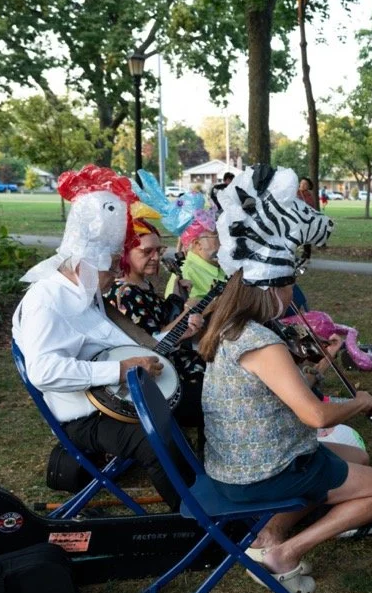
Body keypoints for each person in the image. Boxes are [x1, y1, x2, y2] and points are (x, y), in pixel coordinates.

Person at [200, 164, 372, 593]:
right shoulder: (259, 341)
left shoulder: (230, 327)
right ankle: (285, 552)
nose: (293, 296)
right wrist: (360, 401)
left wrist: (310, 374)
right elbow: (314, 414)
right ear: (272, 287)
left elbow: (278, 393)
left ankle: (268, 531)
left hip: (235, 462)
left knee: (353, 457)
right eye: (290, 284)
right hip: (261, 471)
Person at [12, 165, 187, 510]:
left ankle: (215, 488)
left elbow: (121, 333)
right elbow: (43, 371)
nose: (117, 274)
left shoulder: (86, 291)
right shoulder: (46, 300)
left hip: (114, 396)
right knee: (155, 440)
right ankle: (199, 522)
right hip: (83, 415)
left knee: (195, 399)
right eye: (111, 267)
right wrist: (120, 370)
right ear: (83, 264)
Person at [104, 206, 207, 426]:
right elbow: (153, 344)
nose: (155, 257)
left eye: (158, 251)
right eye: (146, 251)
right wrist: (188, 313)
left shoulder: (141, 284)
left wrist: (177, 296)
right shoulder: (126, 294)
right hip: (161, 374)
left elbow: (159, 319)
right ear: (125, 254)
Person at [165, 210, 224, 301]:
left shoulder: (223, 265)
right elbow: (178, 312)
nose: (224, 240)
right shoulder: (184, 274)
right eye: (217, 236)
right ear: (198, 244)